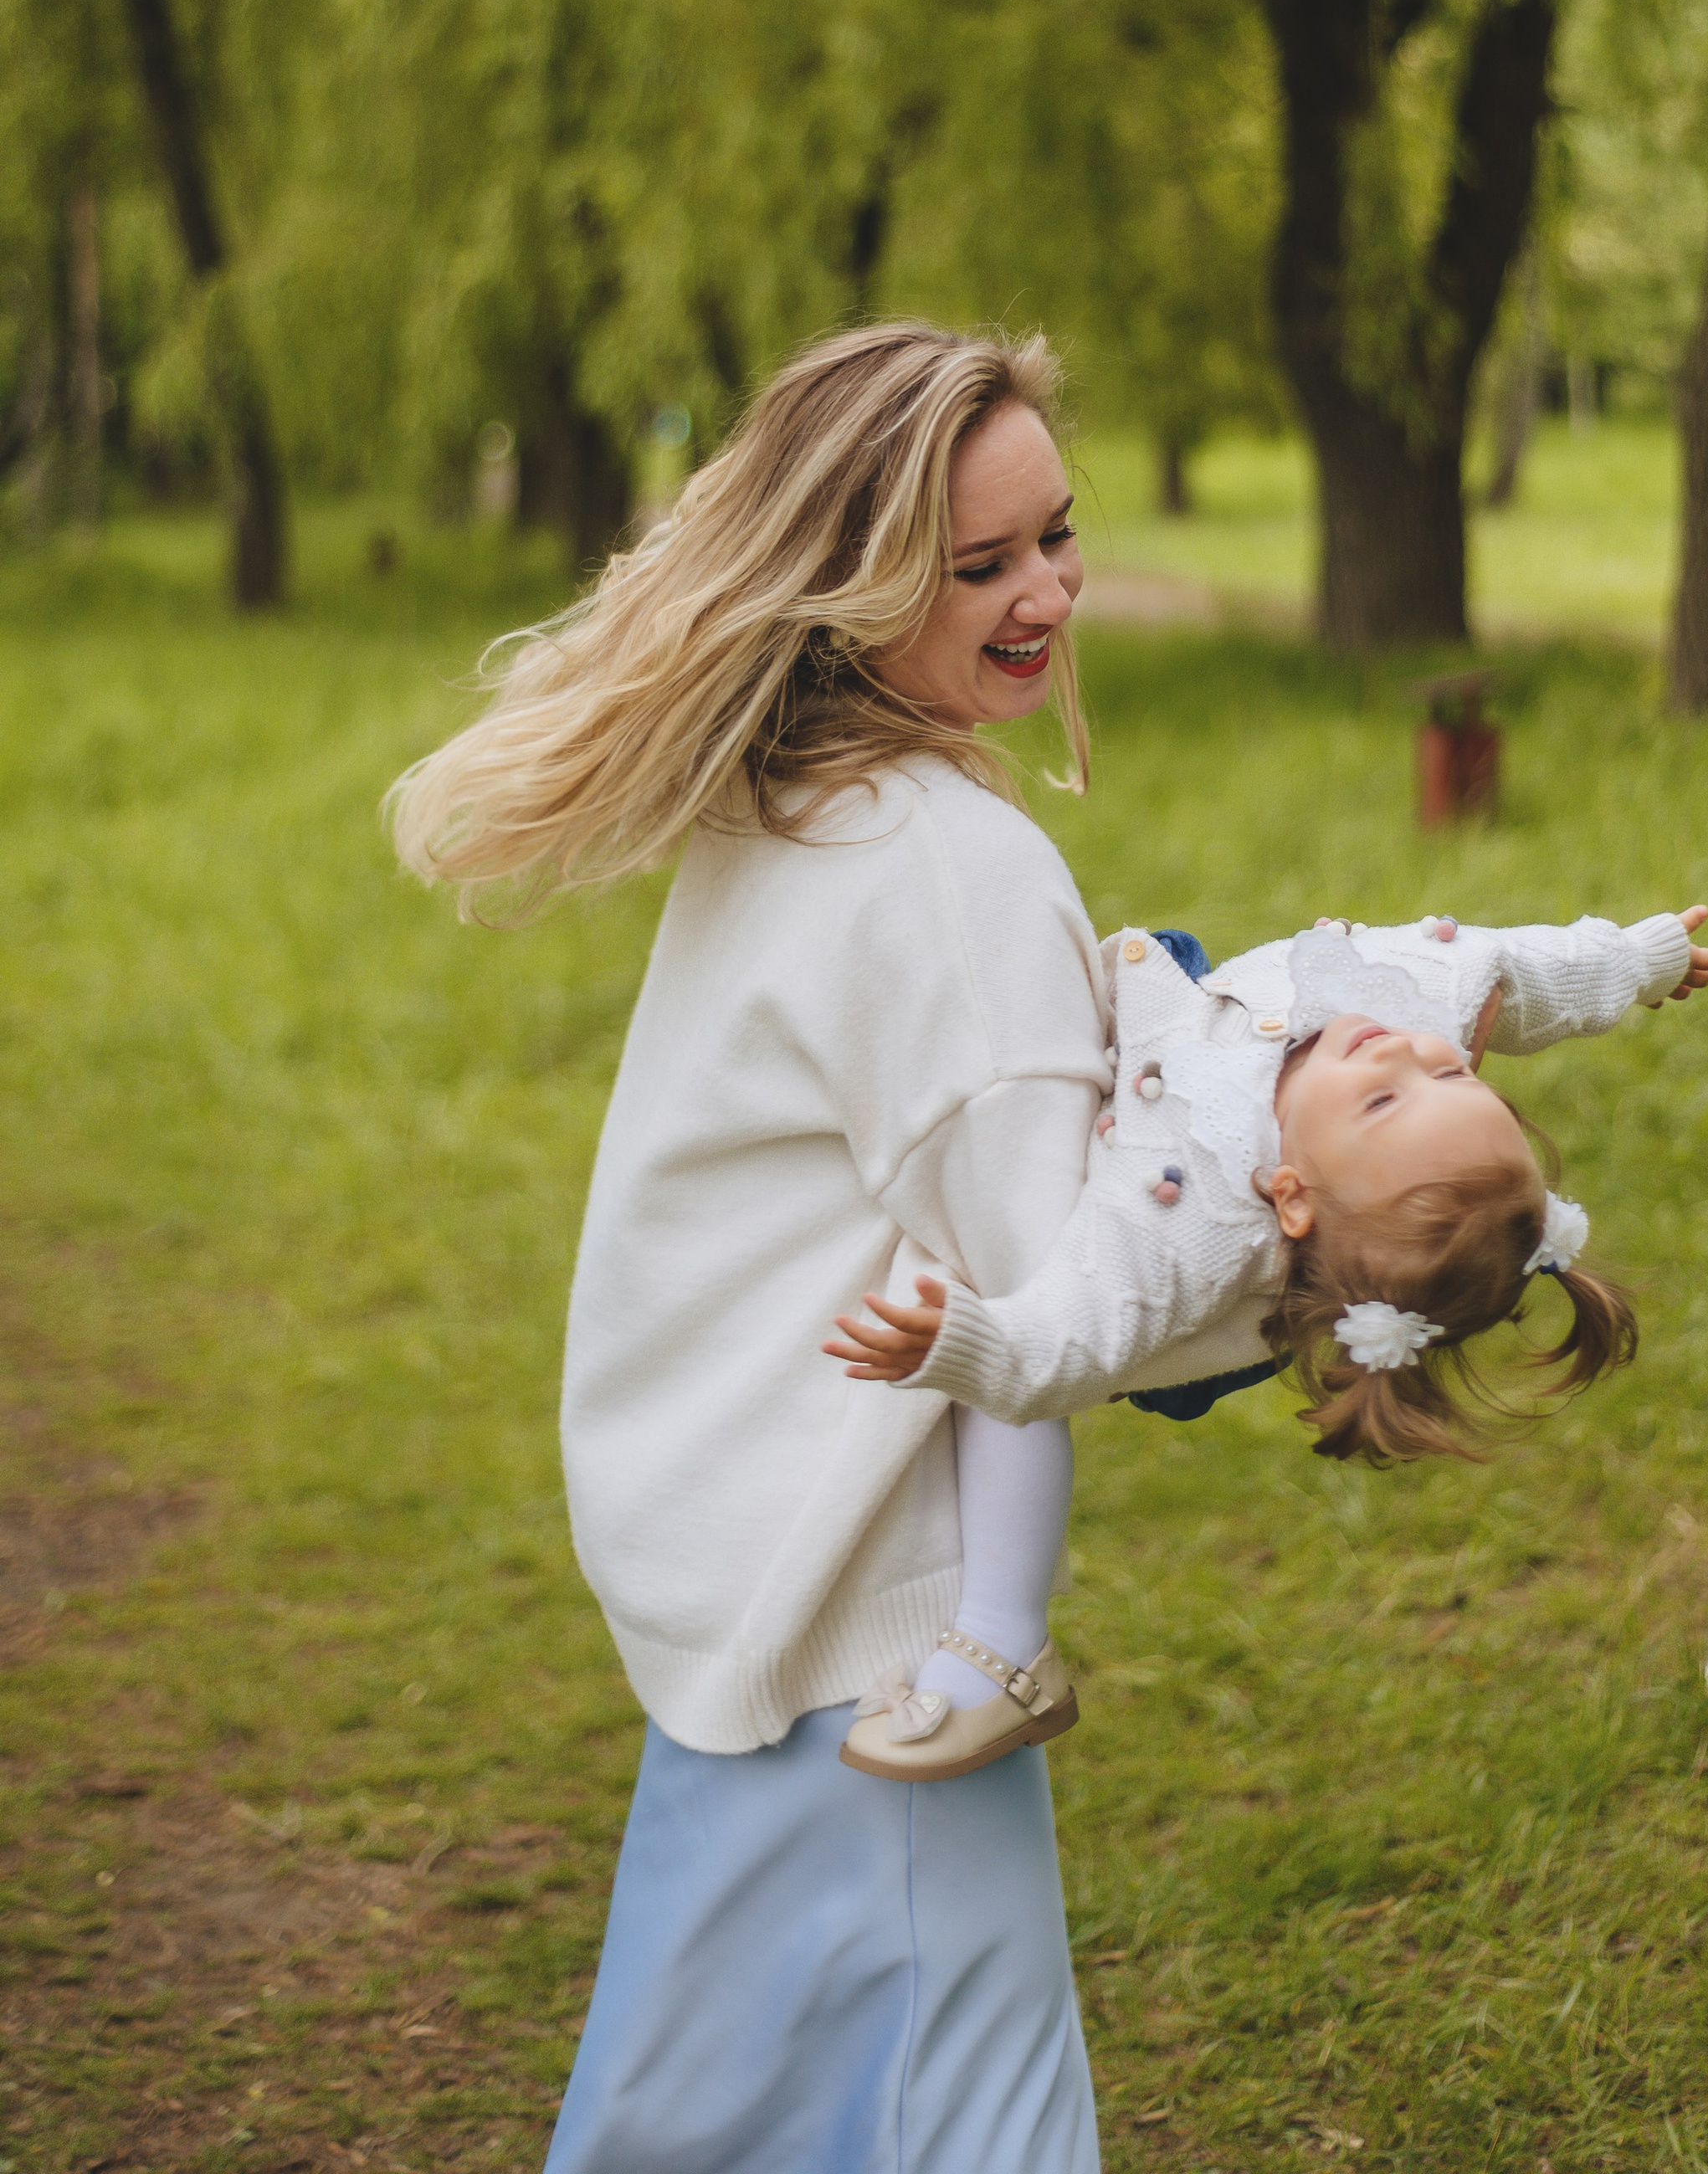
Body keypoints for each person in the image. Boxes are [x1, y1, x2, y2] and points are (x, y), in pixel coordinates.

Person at [387, 324, 1116, 2174]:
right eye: (977, 565)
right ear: (856, 582)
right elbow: (1060, 1303)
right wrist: (1310, 1232)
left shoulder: (789, 812)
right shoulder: (947, 871)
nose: (1041, 592)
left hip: (754, 1620)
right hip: (882, 1651)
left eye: (1053, 537)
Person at [828, 903, 1708, 1776]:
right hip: (1181, 1009)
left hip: (1122, 1219)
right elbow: (1523, 973)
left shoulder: (1188, 1220)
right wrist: (1646, 962)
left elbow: (1063, 1351)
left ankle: (1001, 1637)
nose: (1407, 1049)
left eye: (1380, 1102)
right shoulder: (1421, 1011)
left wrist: (964, 1341)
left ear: (1289, 1194)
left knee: (1010, 1333)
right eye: (1457, 1076)